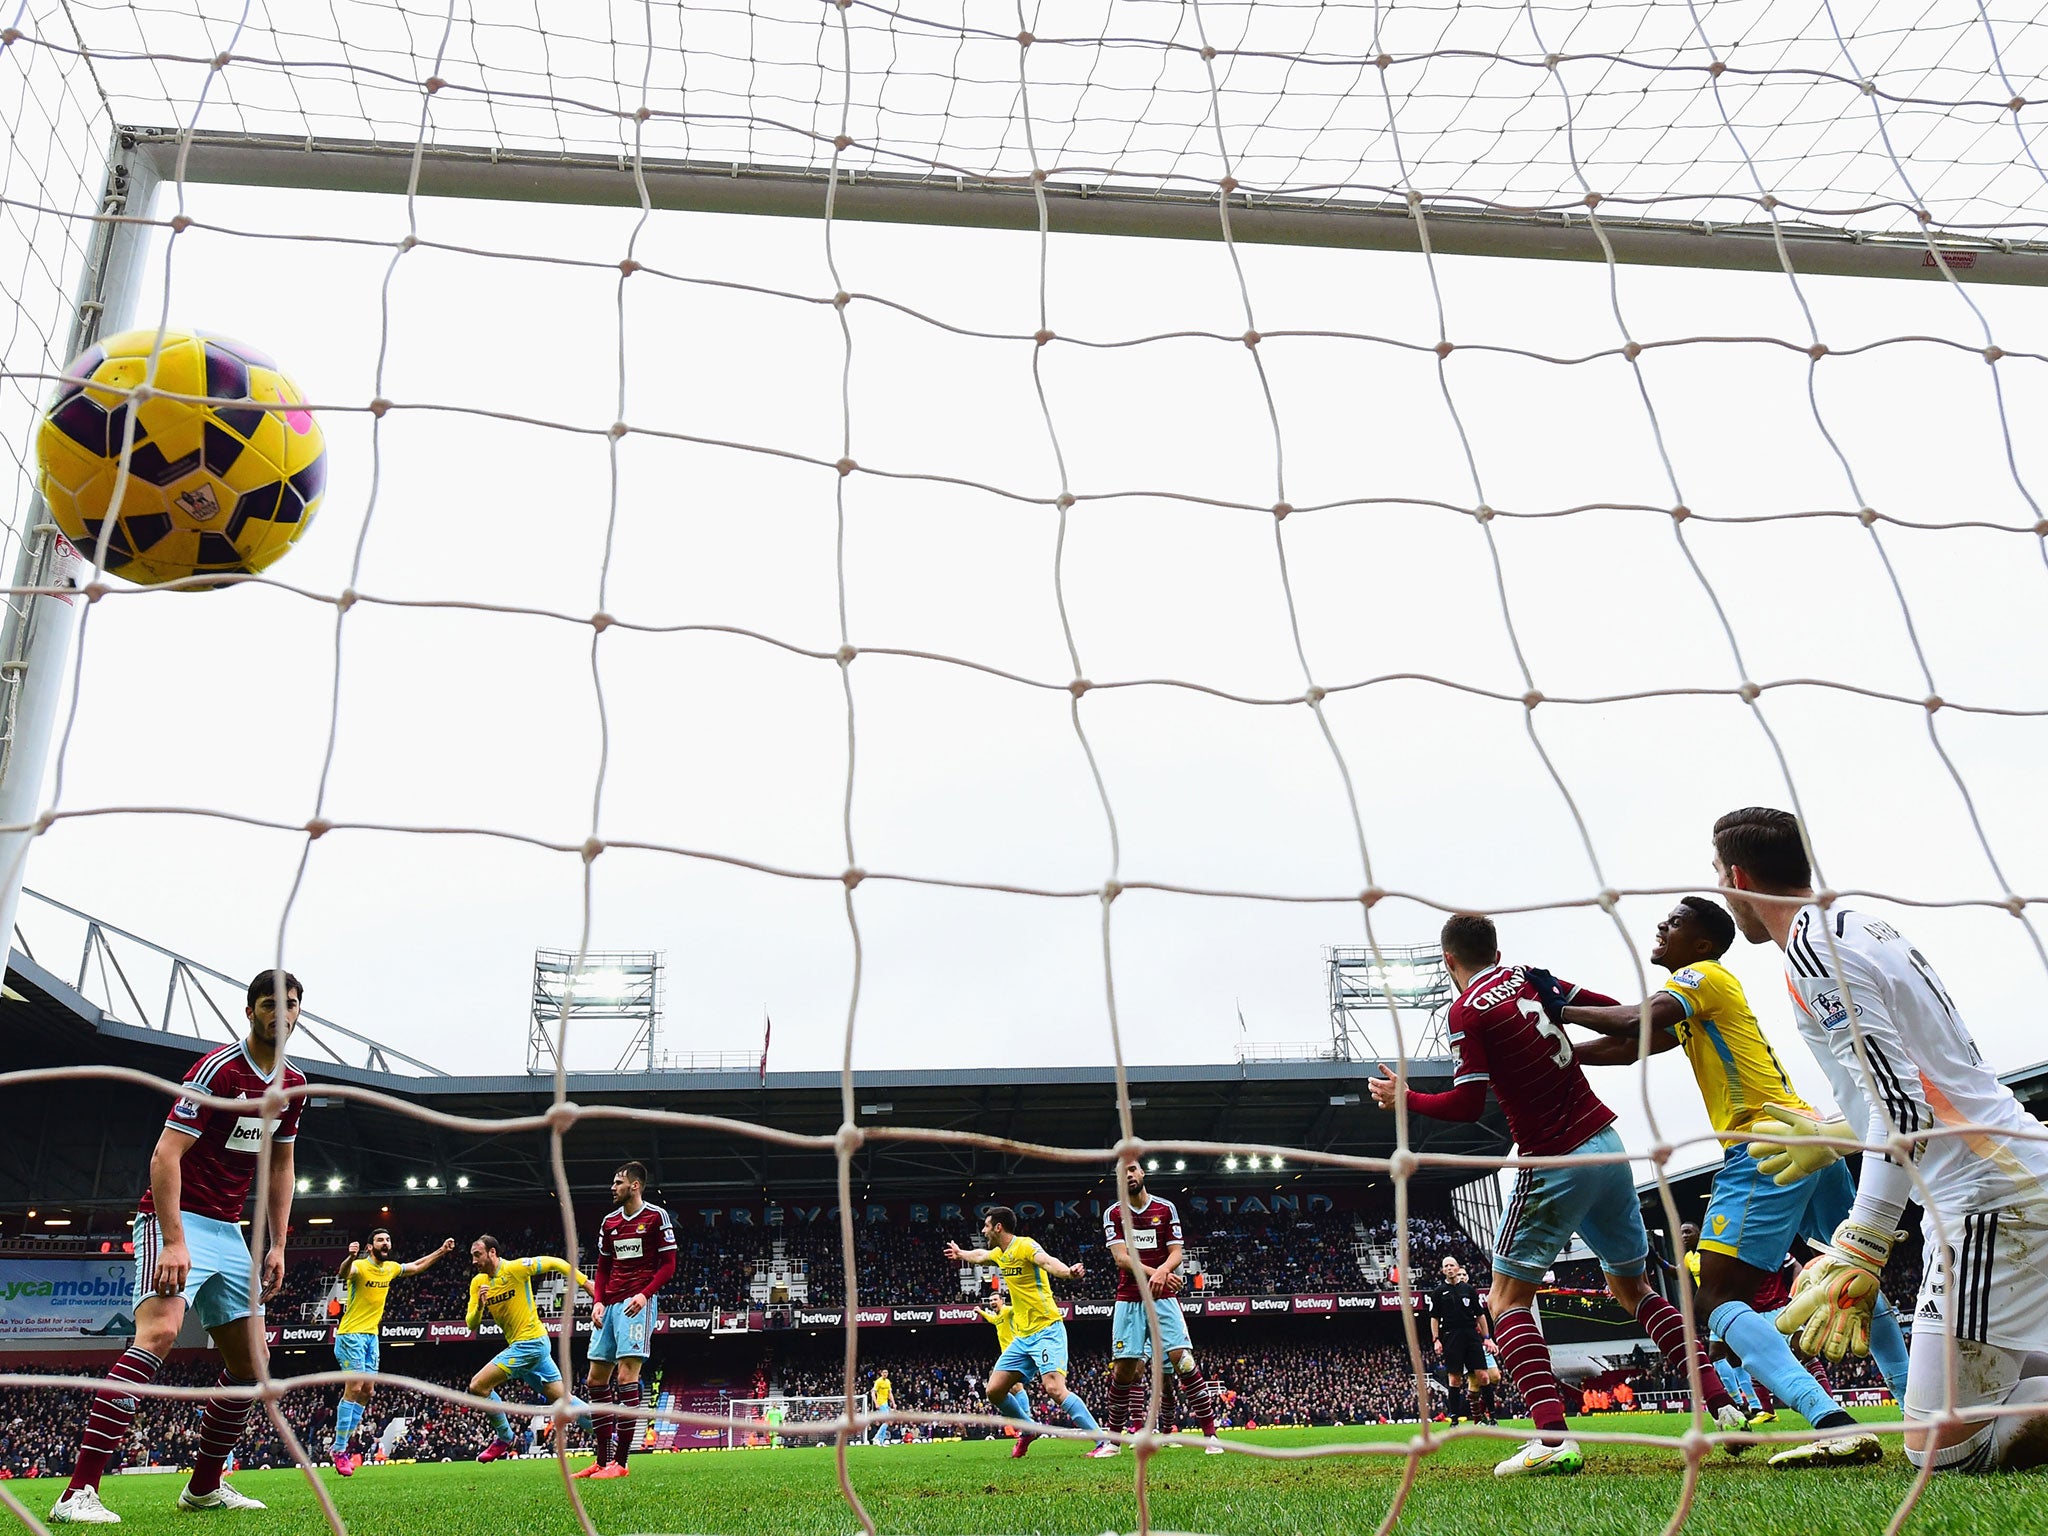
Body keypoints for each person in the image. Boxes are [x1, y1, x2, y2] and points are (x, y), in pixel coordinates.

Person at [1714, 806, 2048, 1473]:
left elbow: (1903, 1102)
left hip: (1987, 1201)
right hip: (2001, 1177)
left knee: (1942, 1452)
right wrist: (1835, 1134)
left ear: (1737, 876)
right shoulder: (1858, 925)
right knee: (1987, 1391)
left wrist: (1861, 1244)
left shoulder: (1813, 949)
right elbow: (1915, 1088)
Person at [1369, 914, 1743, 1478]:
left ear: (1449, 961)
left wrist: (1408, 1098)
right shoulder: (1530, 977)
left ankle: (1551, 1439)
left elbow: (1469, 1106)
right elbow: (1623, 1019)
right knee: (1633, 1288)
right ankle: (1725, 1405)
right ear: (1495, 948)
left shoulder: (1466, 1010)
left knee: (1506, 1302)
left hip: (1554, 1156)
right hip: (1609, 1145)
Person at [1554, 894, 1899, 1466]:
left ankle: (1828, 1422)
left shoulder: (1701, 976)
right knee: (1854, 1275)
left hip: (1764, 1144)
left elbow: (1633, 1019)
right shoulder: (1698, 1001)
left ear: (1703, 943)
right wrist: (1563, 1052)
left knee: (1717, 1299)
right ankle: (1922, 1406)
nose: (1661, 927)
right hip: (1807, 1134)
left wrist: (1555, 1005)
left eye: (1675, 923)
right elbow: (1631, 1043)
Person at [50, 969, 308, 1524]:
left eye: (290, 1004)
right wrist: (173, 1240)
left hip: (229, 1229)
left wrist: (279, 1244)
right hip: (175, 1220)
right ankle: (78, 1493)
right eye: (270, 1004)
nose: (281, 1014)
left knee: (252, 1364)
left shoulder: (294, 1086)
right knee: (162, 1331)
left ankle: (205, 1487)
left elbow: (282, 1166)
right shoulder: (217, 1070)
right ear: (250, 1012)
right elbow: (165, 1156)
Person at [945, 1208, 1103, 1457]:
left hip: (1047, 1329)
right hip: (1023, 1337)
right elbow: (980, 1255)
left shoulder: (1026, 1246)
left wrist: (1068, 1273)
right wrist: (960, 1253)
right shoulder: (1000, 1253)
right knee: (994, 1390)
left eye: (987, 1226)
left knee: (1054, 1389)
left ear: (998, 1227)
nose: (984, 1231)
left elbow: (1047, 1261)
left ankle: (1102, 1442)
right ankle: (1028, 1430)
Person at [1096, 1158, 1223, 1457]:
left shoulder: (1165, 1209)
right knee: (1124, 1371)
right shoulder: (1113, 1213)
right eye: (1121, 1173)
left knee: (1184, 1362)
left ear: (1142, 1173)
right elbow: (1121, 1258)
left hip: (1164, 1297)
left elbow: (1177, 1252)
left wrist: (1163, 1272)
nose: (1127, 1175)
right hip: (1129, 1298)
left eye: (1131, 1169)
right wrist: (1159, 1273)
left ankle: (1211, 1435)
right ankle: (1113, 1442)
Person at [575, 1162, 676, 1480]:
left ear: (635, 1186)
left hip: (637, 1304)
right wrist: (599, 1301)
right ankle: (602, 1461)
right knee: (595, 1380)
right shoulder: (609, 1222)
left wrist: (645, 1295)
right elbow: (603, 1267)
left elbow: (669, 1264)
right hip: (610, 1305)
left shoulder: (656, 1217)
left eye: (618, 1182)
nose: (612, 1187)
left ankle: (621, 1463)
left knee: (626, 1376)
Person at [329, 1229, 456, 1474]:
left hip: (371, 1337)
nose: (386, 1243)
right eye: (380, 1240)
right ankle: (339, 1448)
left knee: (367, 1391)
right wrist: (350, 1257)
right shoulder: (360, 1267)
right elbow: (344, 1272)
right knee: (354, 1387)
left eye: (388, 1239)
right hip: (350, 1335)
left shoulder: (390, 1268)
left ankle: (344, 1443)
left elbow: (417, 1267)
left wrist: (441, 1251)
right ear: (370, 1247)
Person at [464, 1235, 596, 1462]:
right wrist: (479, 1305)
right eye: (472, 1256)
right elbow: (471, 1324)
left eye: (478, 1255)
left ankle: (504, 1438)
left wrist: (586, 1283)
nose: (474, 1261)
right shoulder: (478, 1283)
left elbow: (556, 1263)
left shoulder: (516, 1269)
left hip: (531, 1343)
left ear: (492, 1253)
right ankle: (607, 1435)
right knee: (565, 1401)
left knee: (478, 1386)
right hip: (526, 1348)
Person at [1429, 1255, 1492, 1425]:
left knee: (1483, 1376)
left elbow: (1480, 1315)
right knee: (1454, 1379)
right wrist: (1436, 1339)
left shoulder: (1469, 1290)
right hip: (1451, 1336)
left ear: (1458, 1268)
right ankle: (1454, 1419)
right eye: (1446, 1266)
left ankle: (1492, 1416)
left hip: (1470, 1334)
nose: (1449, 1268)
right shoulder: (1438, 1292)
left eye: (1452, 1265)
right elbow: (1434, 1317)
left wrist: (1487, 1338)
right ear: (1443, 1270)